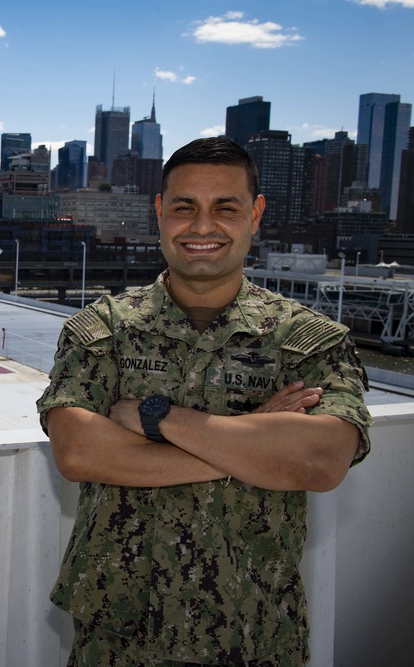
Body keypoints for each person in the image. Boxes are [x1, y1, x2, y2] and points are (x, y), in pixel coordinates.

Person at [36, 137, 373, 666]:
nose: (202, 226)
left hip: (253, 631)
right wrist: (254, 442)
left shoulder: (310, 338)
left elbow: (320, 459)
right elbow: (79, 453)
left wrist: (161, 418)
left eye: (226, 208)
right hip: (121, 636)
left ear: (256, 214)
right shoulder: (103, 331)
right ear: (160, 213)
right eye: (184, 207)